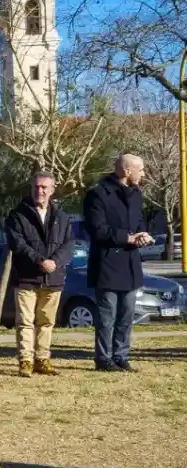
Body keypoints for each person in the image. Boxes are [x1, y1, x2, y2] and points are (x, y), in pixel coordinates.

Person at [84, 153, 151, 372]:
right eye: (140, 169)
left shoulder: (136, 194)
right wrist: (127, 238)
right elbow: (97, 229)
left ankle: (121, 355)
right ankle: (103, 359)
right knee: (107, 317)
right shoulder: (98, 195)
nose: (143, 173)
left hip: (131, 265)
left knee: (126, 315)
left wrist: (142, 235)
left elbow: (139, 221)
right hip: (107, 265)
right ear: (126, 170)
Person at [4, 171, 74, 377]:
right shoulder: (18, 215)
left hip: (53, 279)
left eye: (44, 187)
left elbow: (69, 244)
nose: (40, 191)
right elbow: (17, 243)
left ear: (52, 190)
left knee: (46, 322)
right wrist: (39, 260)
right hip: (26, 277)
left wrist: (56, 262)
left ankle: (42, 359)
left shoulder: (61, 216)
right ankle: (25, 360)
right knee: (25, 322)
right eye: (36, 187)